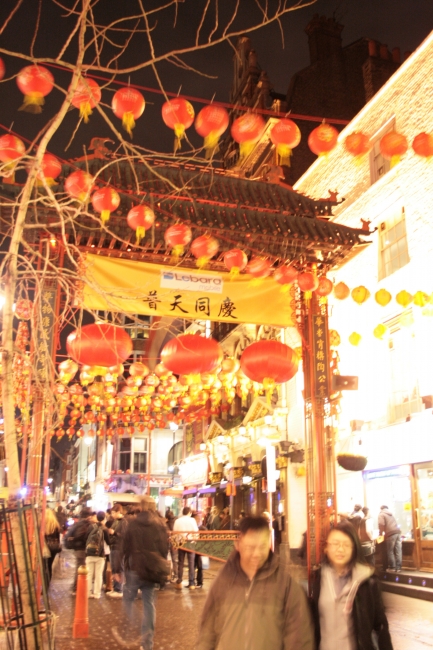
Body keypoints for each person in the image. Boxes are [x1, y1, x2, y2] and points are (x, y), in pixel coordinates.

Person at [196, 515, 314, 650]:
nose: (257, 553)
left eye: (262, 546)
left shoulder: (285, 584)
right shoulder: (223, 581)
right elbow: (207, 632)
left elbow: (299, 636)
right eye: (250, 547)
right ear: (238, 545)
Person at [310, 521, 393, 650]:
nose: (340, 549)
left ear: (354, 548)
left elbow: (380, 626)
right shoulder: (319, 578)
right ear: (326, 548)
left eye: (346, 545)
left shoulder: (368, 581)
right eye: (335, 544)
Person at [114, 496, 169, 650]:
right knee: (149, 604)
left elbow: (123, 546)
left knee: (128, 600)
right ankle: (147, 643)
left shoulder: (133, 523)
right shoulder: (160, 525)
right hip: (152, 569)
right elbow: (164, 550)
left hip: (135, 568)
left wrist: (117, 568)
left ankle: (137, 623)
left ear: (142, 507)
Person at [64, 507, 94, 594]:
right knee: (81, 569)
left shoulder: (77, 524)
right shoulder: (86, 524)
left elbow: (71, 534)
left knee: (80, 568)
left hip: (77, 548)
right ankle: (77, 588)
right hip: (82, 548)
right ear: (88, 516)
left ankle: (77, 587)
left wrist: (73, 539)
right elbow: (83, 536)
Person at [85, 511, 110, 599]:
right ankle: (97, 594)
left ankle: (88, 593)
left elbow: (86, 538)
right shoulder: (105, 529)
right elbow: (108, 542)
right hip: (100, 554)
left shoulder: (90, 527)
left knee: (89, 574)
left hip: (89, 553)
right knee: (98, 574)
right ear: (104, 518)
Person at [173, 506, 198, 590]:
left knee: (181, 562)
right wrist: (195, 540)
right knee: (191, 563)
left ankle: (179, 581)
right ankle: (191, 583)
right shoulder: (192, 520)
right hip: (190, 542)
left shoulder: (177, 521)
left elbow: (174, 532)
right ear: (189, 512)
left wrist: (176, 544)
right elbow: (196, 531)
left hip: (181, 542)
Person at [107, 503, 128, 597]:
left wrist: (114, 533)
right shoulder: (115, 521)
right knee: (114, 567)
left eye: (113, 512)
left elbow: (123, 535)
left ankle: (119, 589)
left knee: (119, 567)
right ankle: (115, 587)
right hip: (113, 546)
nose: (112, 514)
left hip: (119, 547)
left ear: (119, 512)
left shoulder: (123, 522)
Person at [378, 505, 402, 572]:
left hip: (391, 534)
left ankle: (392, 567)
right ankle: (399, 567)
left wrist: (380, 534)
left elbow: (381, 525)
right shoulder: (390, 514)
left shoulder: (381, 514)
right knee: (398, 550)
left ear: (381, 509)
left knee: (390, 551)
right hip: (397, 532)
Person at [44, 508, 61, 585]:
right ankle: (47, 584)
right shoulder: (55, 525)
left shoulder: (43, 525)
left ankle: (44, 584)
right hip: (53, 547)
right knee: (50, 565)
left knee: (44, 566)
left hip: (45, 547)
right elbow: (58, 538)